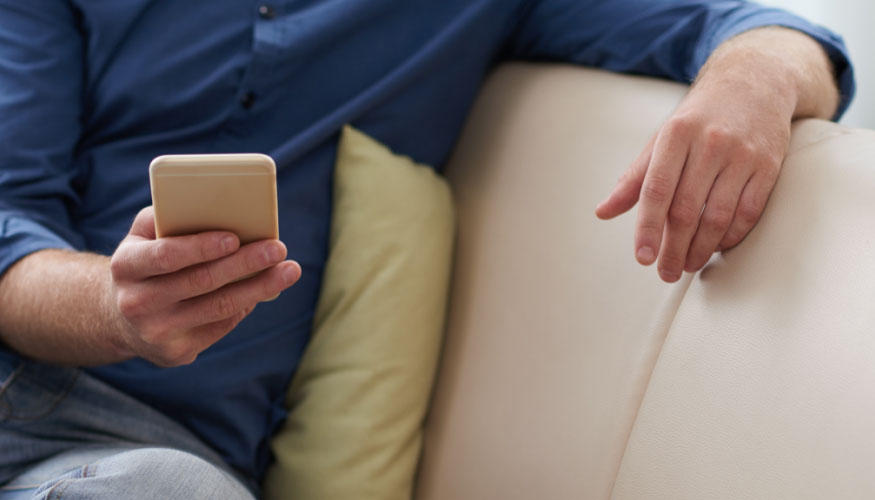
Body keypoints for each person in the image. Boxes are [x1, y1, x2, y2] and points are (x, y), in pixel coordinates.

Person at [0, 0, 854, 498]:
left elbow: (746, 27)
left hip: (133, 455)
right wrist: (114, 309)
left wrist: (753, 80)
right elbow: (10, 222)